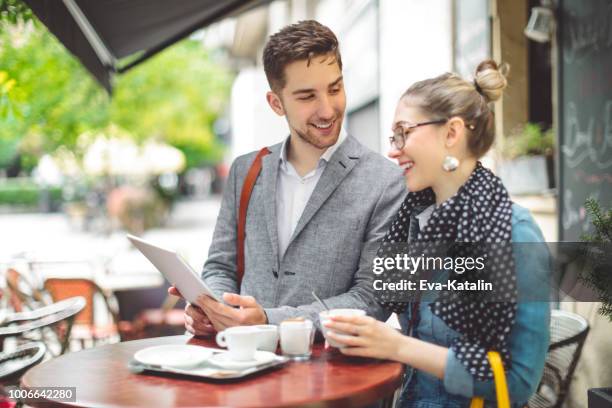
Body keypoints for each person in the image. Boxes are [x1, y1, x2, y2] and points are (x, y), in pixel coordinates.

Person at [323, 60, 551, 407]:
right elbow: (380, 305)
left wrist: (399, 346)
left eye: (404, 132)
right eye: (392, 136)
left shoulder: (513, 233)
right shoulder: (413, 221)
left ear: (452, 133)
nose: (393, 149)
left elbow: (517, 381)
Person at [170, 20, 405, 336]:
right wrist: (211, 308)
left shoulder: (386, 182)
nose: (327, 109)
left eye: (335, 89)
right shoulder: (245, 170)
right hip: (241, 369)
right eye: (307, 96)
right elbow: (220, 267)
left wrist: (268, 320)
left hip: (332, 377)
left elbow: (373, 299)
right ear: (276, 103)